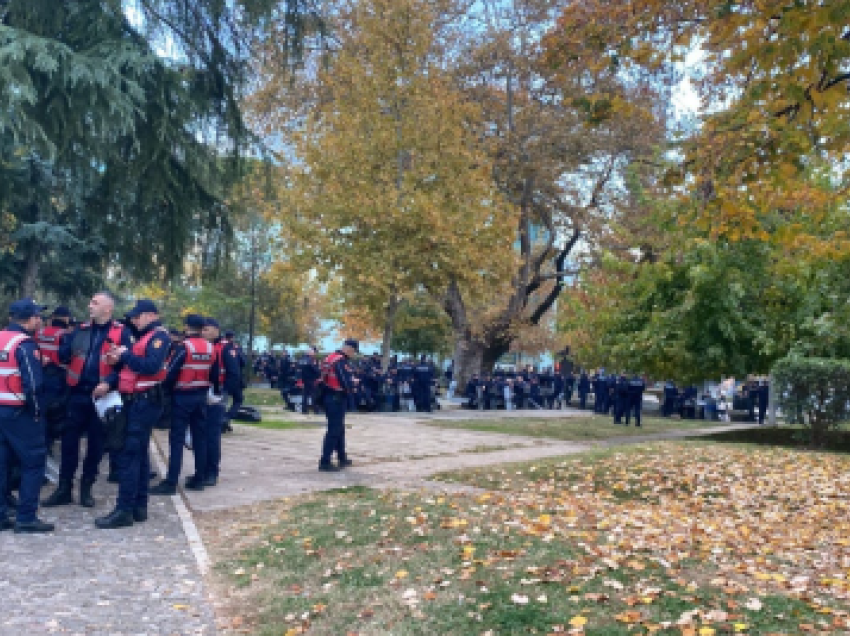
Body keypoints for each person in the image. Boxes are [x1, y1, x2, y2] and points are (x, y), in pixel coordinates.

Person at [43, 291, 132, 509]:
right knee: (69, 443)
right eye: (90, 302)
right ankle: (64, 488)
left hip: (102, 397)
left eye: (95, 302)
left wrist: (109, 383)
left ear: (107, 309)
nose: (89, 305)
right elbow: (64, 355)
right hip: (76, 394)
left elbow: (126, 368)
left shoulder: (121, 333)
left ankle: (86, 487)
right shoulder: (80, 330)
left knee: (96, 444)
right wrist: (67, 344)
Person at [95, 299, 170, 529]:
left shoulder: (159, 337)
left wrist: (125, 355)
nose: (134, 321)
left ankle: (124, 510)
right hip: (136, 401)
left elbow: (150, 366)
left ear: (151, 315)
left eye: (138, 316)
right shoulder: (142, 337)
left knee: (129, 455)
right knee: (138, 455)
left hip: (144, 403)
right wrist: (118, 361)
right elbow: (130, 368)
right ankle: (139, 506)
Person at [0, 299, 55, 533]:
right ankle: (26, 517)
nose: (40, 321)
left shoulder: (2, 338)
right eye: (38, 317)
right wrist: (37, 413)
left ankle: (1, 514)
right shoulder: (25, 344)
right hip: (20, 413)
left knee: (1, 463)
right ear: (30, 319)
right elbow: (32, 385)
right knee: (33, 463)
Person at [150, 314, 219, 496]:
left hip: (182, 396)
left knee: (177, 439)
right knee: (200, 438)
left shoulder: (184, 347)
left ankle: (171, 481)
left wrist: (164, 391)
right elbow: (215, 375)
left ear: (187, 327)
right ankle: (199, 478)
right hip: (201, 397)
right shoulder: (211, 348)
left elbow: (171, 372)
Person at [202, 318, 240, 487]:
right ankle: (201, 470)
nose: (203, 332)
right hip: (202, 393)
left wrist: (222, 393)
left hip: (217, 394)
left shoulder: (225, 347)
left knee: (212, 435)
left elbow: (233, 373)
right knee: (200, 435)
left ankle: (211, 472)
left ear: (216, 330)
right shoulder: (203, 346)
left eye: (206, 329)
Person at [35, 306, 72, 449]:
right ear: (65, 318)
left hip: (39, 374)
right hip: (56, 377)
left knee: (40, 410)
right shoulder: (64, 335)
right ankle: (47, 443)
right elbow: (65, 356)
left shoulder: (39, 332)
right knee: (53, 412)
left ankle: (41, 441)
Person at [318, 339, 357, 472]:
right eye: (353, 352)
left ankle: (342, 457)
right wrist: (353, 383)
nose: (353, 355)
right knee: (334, 430)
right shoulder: (340, 361)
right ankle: (325, 461)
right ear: (349, 349)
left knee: (339, 429)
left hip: (327, 396)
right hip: (336, 398)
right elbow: (344, 381)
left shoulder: (329, 357)